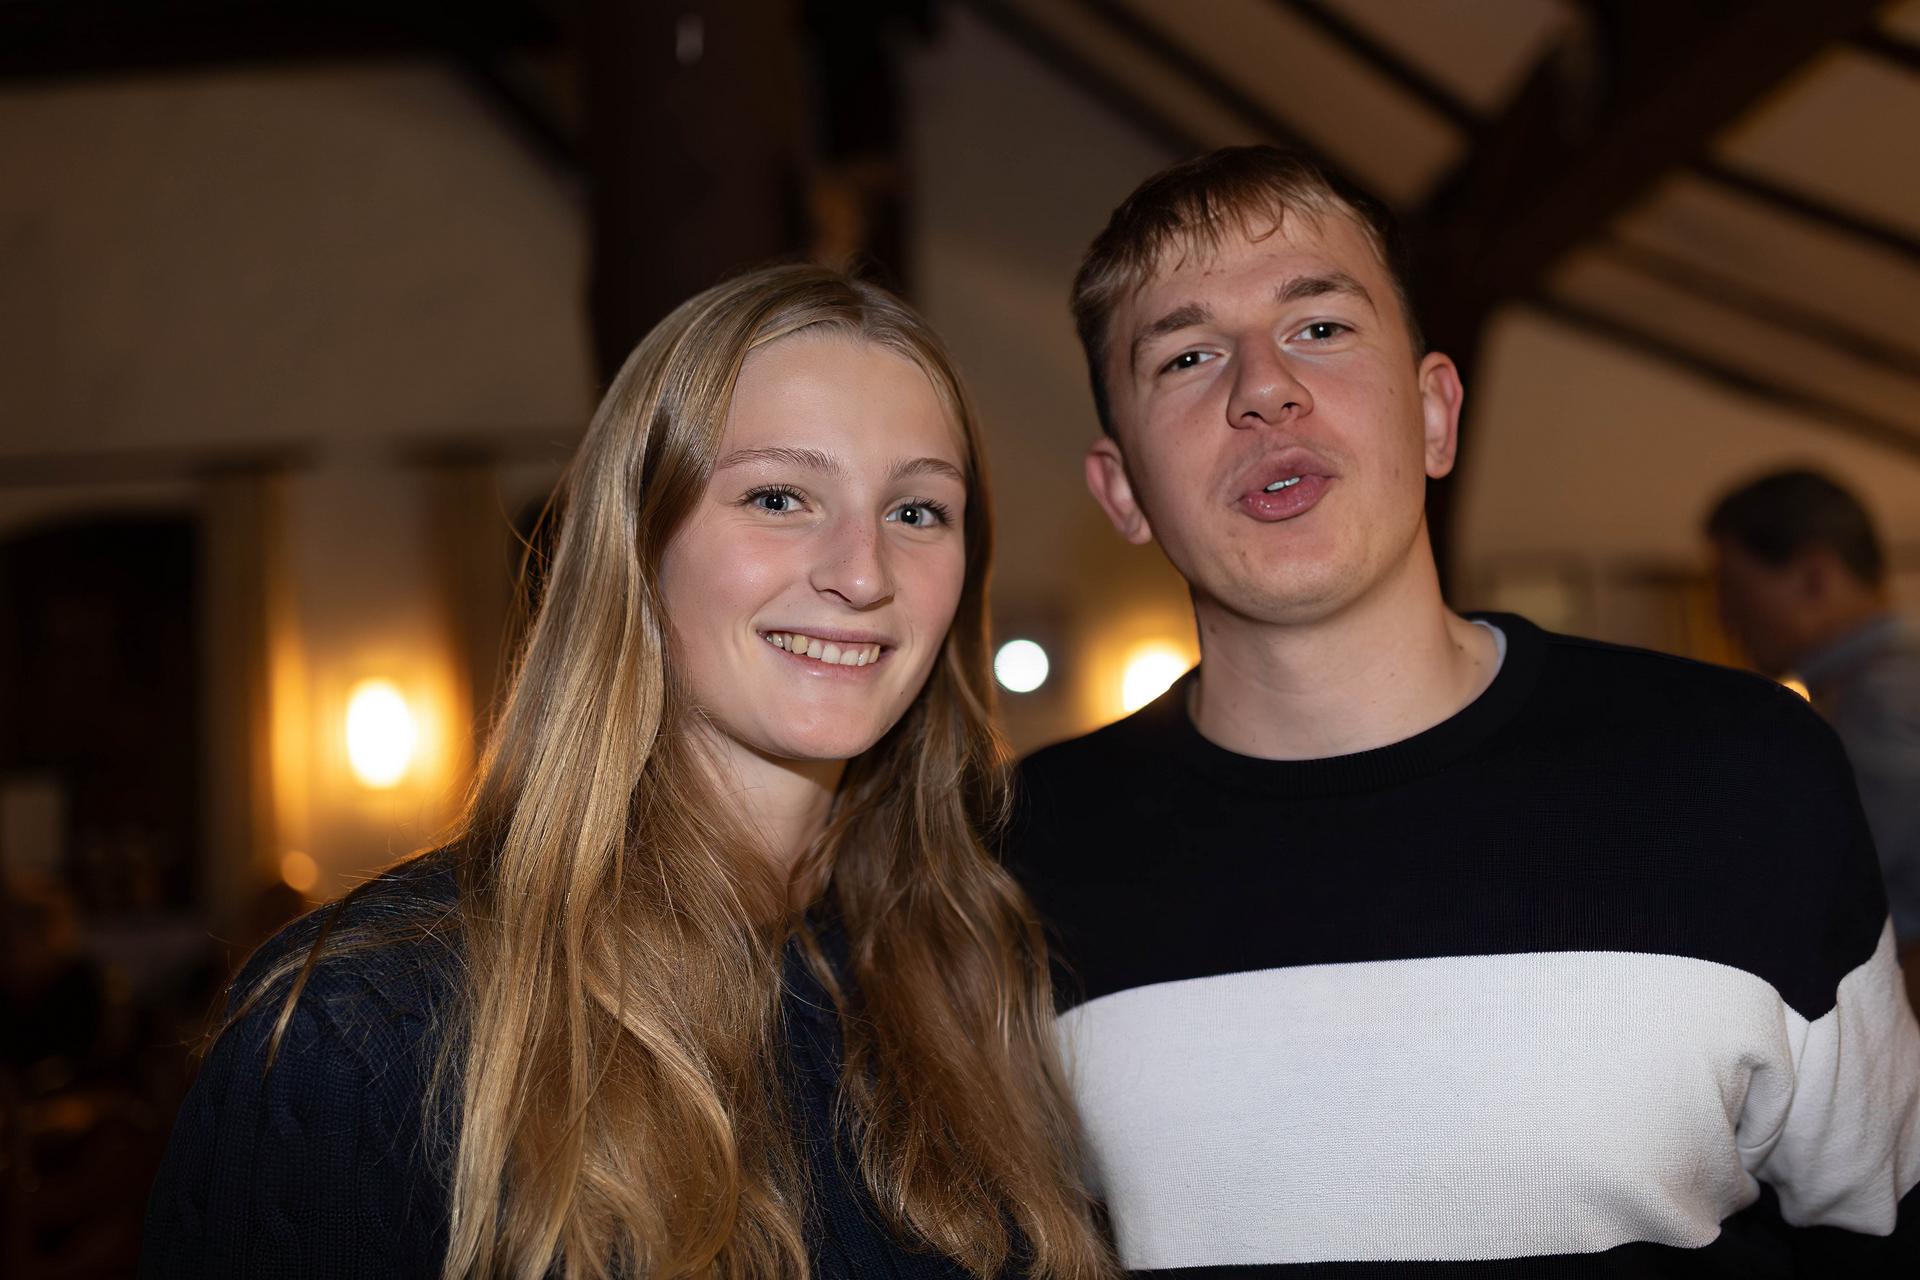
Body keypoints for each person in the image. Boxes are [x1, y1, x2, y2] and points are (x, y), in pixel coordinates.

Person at [1004, 145, 1920, 1275]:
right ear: (1123, 490)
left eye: (1320, 327)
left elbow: (1880, 1228)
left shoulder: (1748, 772)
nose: (1263, 387)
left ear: (1436, 415)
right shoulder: (1011, 856)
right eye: (1187, 356)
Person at [140, 265, 1113, 1279]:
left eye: (917, 511)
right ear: (637, 544)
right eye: (778, 497)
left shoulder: (980, 973)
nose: (863, 572)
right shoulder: (365, 1025)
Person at [1708, 468, 1920, 1013]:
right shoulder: (1884, 684)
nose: (1725, 615)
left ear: (1813, 577)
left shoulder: (1877, 700)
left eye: (1733, 588)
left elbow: (1838, 894)